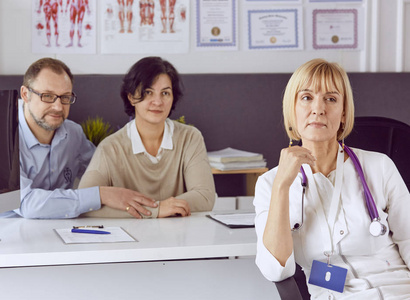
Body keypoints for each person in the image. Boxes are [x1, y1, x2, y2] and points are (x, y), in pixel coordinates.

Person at [254, 58, 410, 299]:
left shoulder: (379, 167)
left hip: (399, 289)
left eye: (331, 99)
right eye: (306, 97)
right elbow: (275, 269)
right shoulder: (270, 184)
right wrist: (282, 187)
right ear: (292, 108)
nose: (318, 109)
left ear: (344, 112)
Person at [18, 57, 157, 219]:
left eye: (65, 97)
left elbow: (109, 175)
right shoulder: (0, 138)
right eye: (48, 96)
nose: (58, 107)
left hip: (62, 231)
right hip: (6, 236)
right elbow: (26, 204)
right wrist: (100, 195)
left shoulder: (73, 134)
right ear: (25, 94)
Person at [78, 56, 216, 218]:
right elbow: (85, 203)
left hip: (180, 238)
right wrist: (157, 210)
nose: (157, 102)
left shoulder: (190, 138)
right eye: (148, 92)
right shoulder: (111, 147)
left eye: (165, 93)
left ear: (173, 98)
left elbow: (205, 197)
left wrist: (158, 209)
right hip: (131, 240)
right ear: (131, 97)